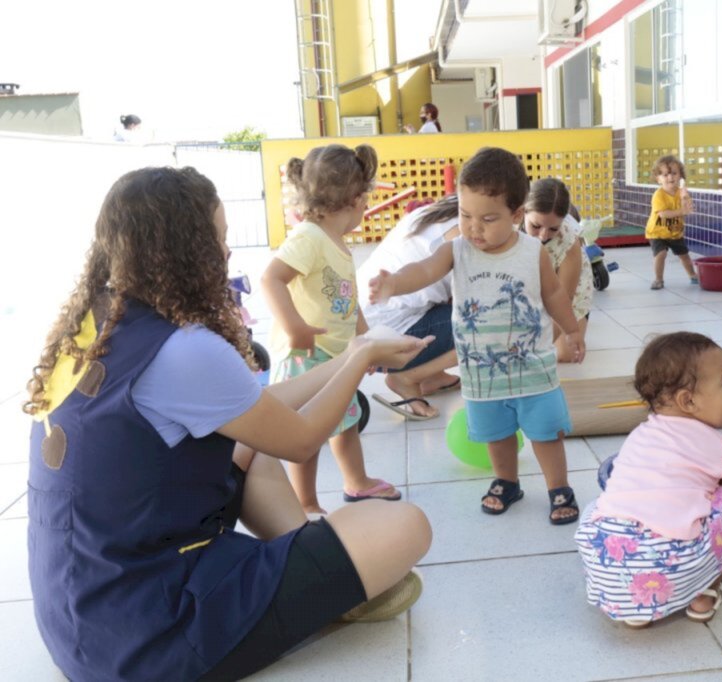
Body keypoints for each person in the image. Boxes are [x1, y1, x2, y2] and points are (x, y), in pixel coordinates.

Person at [24, 166, 433, 681]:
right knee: (406, 524)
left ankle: (319, 574)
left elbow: (252, 412)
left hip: (84, 614)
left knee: (249, 446)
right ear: (182, 250)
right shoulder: (183, 349)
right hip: (150, 636)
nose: (225, 253)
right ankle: (324, 580)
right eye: (216, 239)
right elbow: (301, 440)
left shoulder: (100, 322)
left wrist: (355, 350)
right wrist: (358, 362)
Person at [368, 147, 586, 525]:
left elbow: (554, 294)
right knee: (496, 434)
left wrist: (570, 329)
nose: (474, 228)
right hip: (482, 372)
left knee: (546, 432)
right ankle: (506, 481)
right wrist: (394, 283)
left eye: (488, 219)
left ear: (517, 215)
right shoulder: (456, 250)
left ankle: (558, 487)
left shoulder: (532, 251)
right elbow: (424, 270)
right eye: (465, 215)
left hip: (532, 368)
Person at [574, 332, 722, 627]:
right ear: (688, 401)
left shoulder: (639, 436)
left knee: (599, 506)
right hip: (673, 566)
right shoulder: (719, 445)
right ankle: (705, 591)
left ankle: (635, 610)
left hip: (606, 563)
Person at [262, 143, 399, 513]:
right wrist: (295, 328)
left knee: (346, 420)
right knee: (304, 434)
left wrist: (364, 340)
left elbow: (347, 299)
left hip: (335, 356)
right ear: (357, 199)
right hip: (306, 355)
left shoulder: (334, 241)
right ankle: (305, 502)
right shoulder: (308, 237)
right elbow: (271, 279)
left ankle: (357, 482)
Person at [356, 195, 462, 420]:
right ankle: (408, 378)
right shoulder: (463, 234)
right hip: (386, 338)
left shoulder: (437, 210)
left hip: (364, 321)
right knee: (487, 327)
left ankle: (432, 375)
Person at [523, 178, 594, 363]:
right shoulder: (509, 229)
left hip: (566, 291)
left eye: (553, 228)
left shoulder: (569, 240)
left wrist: (539, 348)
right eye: (535, 226)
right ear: (523, 211)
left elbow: (563, 298)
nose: (543, 235)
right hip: (529, 284)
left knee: (566, 355)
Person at [646, 154, 698, 289]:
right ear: (658, 179)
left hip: (675, 232)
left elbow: (687, 209)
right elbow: (663, 214)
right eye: (665, 175)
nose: (670, 177)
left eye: (674, 173)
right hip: (657, 232)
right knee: (660, 254)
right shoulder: (659, 195)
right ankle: (658, 279)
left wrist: (685, 198)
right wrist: (682, 211)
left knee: (684, 255)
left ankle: (693, 275)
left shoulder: (682, 192)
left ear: (680, 176)